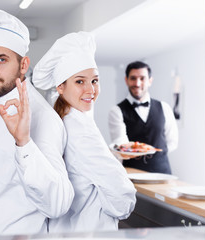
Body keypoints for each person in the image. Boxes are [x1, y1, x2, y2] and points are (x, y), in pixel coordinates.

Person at [0, 9, 74, 236]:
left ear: (23, 65)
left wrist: (24, 142)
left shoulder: (42, 116)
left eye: (0, 59)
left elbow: (58, 203)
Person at [32, 31, 136, 233]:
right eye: (80, 81)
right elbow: (123, 199)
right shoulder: (80, 130)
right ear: (60, 87)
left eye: (95, 80)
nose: (91, 89)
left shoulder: (61, 120)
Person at [108, 61, 178, 174]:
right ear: (126, 80)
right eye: (133, 78)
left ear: (150, 81)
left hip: (162, 173)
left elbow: (172, 142)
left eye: (142, 78)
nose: (137, 83)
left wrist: (157, 156)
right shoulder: (116, 111)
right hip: (131, 174)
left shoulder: (164, 107)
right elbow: (120, 142)